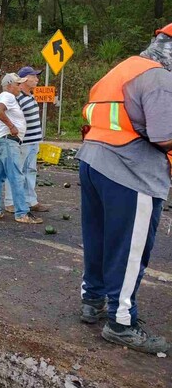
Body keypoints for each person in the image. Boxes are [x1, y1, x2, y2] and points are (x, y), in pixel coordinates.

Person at [77, 23, 172, 354]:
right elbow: (164, 135)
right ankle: (121, 323)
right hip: (131, 171)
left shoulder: (123, 68)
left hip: (93, 162)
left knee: (99, 238)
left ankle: (93, 301)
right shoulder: (160, 77)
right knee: (129, 251)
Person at [0, 73, 43, 224]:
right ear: (10, 85)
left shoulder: (4, 97)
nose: (20, 87)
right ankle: (22, 213)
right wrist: (12, 126)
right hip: (8, 141)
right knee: (16, 177)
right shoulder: (7, 96)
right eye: (18, 84)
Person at [4, 66, 50, 213]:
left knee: (30, 171)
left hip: (33, 141)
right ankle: (10, 202)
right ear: (24, 79)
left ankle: (31, 200)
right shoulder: (18, 98)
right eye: (33, 76)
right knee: (16, 171)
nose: (37, 79)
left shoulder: (30, 96)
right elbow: (10, 116)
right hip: (22, 141)